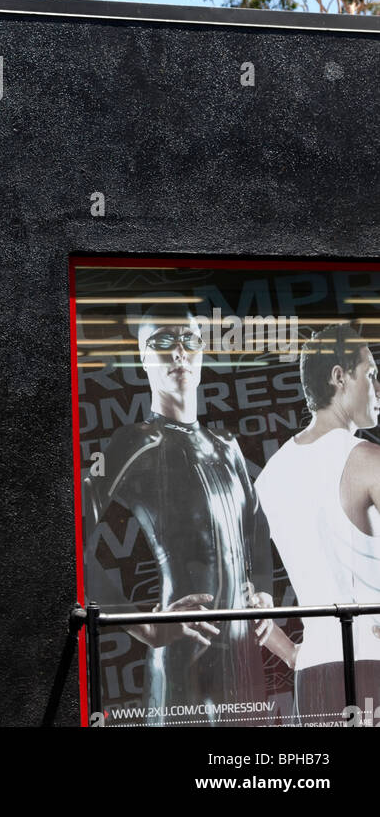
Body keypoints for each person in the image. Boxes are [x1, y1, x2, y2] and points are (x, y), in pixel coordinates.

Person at [85, 299, 295, 726]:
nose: (179, 352)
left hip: (243, 656)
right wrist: (147, 627)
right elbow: (67, 541)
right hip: (182, 661)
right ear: (144, 357)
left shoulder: (226, 447)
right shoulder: (132, 444)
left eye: (190, 340)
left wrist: (264, 594)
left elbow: (256, 527)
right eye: (163, 341)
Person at [255, 322, 380, 723]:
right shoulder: (365, 459)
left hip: (312, 673)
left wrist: (293, 653)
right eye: (372, 375)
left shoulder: (270, 476)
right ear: (340, 377)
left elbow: (246, 594)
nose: (377, 388)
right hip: (374, 666)